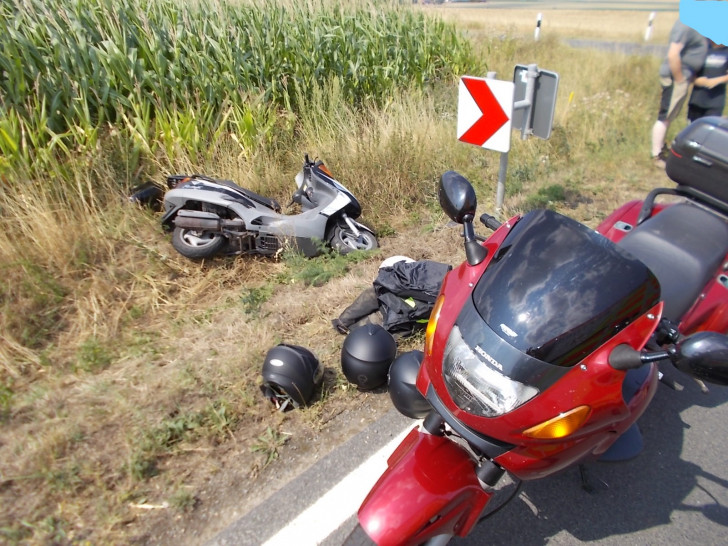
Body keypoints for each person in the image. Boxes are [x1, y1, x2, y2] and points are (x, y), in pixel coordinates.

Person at [651, 21, 708, 168]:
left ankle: (661, 149)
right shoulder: (685, 24)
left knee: (670, 115)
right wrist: (680, 78)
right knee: (666, 116)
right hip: (676, 76)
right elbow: (673, 54)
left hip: (683, 75)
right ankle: (656, 155)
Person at [687, 40, 728, 122]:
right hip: (697, 99)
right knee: (694, 127)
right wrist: (696, 81)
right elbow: (688, 72)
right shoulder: (702, 48)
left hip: (716, 101)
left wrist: (717, 80)